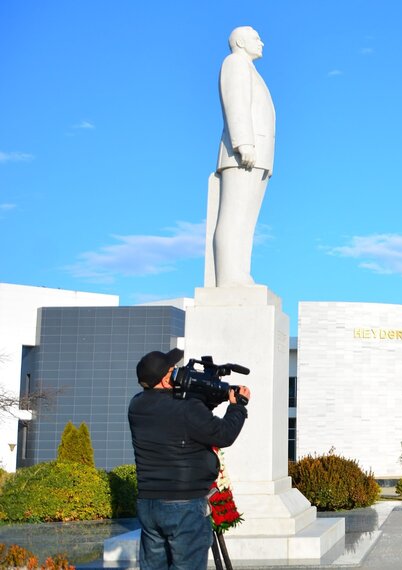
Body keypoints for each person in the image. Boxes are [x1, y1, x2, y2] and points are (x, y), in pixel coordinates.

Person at [128, 349, 251, 569]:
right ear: (166, 380)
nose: (179, 373)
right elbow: (223, 434)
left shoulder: (136, 406)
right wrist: (238, 406)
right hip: (184, 505)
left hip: (149, 504)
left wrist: (206, 398)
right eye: (173, 370)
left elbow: (180, 421)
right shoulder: (186, 409)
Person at [213, 25, 276, 287]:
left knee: (247, 221)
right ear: (240, 41)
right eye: (256, 38)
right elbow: (235, 102)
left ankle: (240, 272)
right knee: (234, 214)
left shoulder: (250, 69)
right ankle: (229, 277)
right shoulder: (235, 63)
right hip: (243, 153)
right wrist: (244, 143)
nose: (262, 42)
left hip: (259, 156)